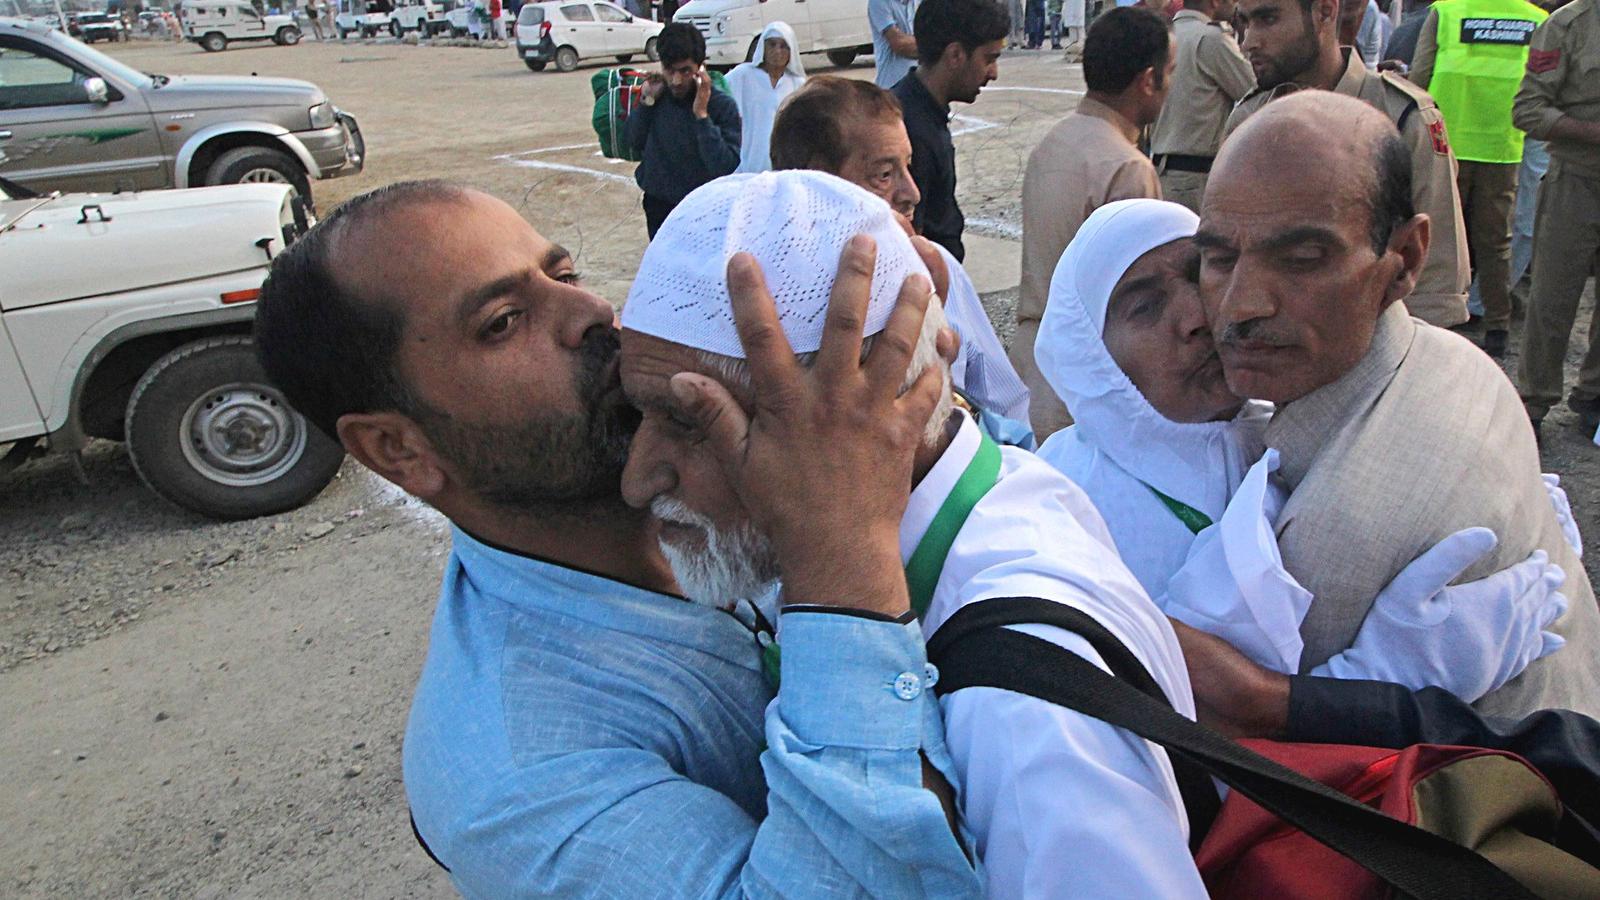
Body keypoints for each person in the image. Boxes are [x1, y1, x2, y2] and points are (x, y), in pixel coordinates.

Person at [250, 181, 983, 898]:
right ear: (396, 449)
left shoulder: (728, 471)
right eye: (504, 321)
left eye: (562, 273)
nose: (592, 312)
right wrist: (842, 554)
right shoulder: (511, 770)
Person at [621, 169, 1209, 897]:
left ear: (862, 407)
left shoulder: (1024, 716)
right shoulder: (987, 486)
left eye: (689, 422)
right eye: (633, 417)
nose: (638, 479)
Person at [1032, 198, 1569, 705]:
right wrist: (1387, 678)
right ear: (1092, 357)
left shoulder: (1286, 422)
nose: (1198, 314)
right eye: (1145, 307)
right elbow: (1147, 722)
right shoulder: (1066, 505)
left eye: (1202, 274)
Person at [1196, 91, 1600, 717]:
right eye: (1218, 258)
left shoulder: (1345, 518)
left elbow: (1221, 738)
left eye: (1302, 261)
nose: (1241, 304)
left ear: (1405, 259)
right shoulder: (1453, 361)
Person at [770, 76, 1033, 427]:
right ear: (818, 184)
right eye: (884, 174)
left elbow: (1008, 407)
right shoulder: (769, 294)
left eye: (908, 167)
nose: (912, 193)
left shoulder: (937, 268)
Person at [1227, 0, 1472, 328]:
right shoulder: (1248, 119)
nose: (1248, 42)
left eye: (1267, 19)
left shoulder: (1403, 117)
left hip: (1371, 340)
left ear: (1325, 12)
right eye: (1244, 23)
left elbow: (1438, 273)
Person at [1011, 6, 1170, 439]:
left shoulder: (1053, 143)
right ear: (1149, 79)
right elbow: (1138, 304)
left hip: (1031, 362)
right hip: (1084, 381)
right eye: (1169, 73)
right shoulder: (1126, 167)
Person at [1409, 0, 1548, 357]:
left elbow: (1420, 76)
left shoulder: (1447, 10)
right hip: (1501, 142)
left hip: (1444, 139)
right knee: (1496, 239)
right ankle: (1498, 327)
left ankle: (1431, 319)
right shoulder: (1537, 19)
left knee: (1436, 233)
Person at [1513, 0, 1600, 435]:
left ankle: (1593, 399)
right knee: (1552, 298)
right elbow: (1527, 109)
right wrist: (1591, 133)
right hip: (1576, 182)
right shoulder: (1567, 25)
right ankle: (1533, 403)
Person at [893, 0, 1010, 263]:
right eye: (988, 59)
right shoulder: (910, 132)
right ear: (955, 55)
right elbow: (910, 241)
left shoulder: (917, 109)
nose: (993, 73)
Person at [625, 23, 742, 238]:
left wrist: (702, 116)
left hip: (705, 209)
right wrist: (646, 102)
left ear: (700, 66)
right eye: (670, 70)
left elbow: (725, 165)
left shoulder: (721, 105)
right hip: (660, 207)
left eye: (685, 71)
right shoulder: (654, 97)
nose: (676, 80)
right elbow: (633, 140)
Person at [1149, 0, 1256, 212]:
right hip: (1195, 179)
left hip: (1161, 172)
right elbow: (1256, 95)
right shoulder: (1211, 39)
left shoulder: (1164, 35)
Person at [725, 22, 806, 174]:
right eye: (772, 45)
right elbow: (717, 88)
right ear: (763, 47)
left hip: (784, 168)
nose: (777, 51)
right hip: (749, 166)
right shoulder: (743, 75)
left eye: (783, 46)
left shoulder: (797, 84)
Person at [869, 0, 919, 87]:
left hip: (919, 86)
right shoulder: (879, 2)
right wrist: (934, 46)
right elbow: (900, 45)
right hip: (892, 88)